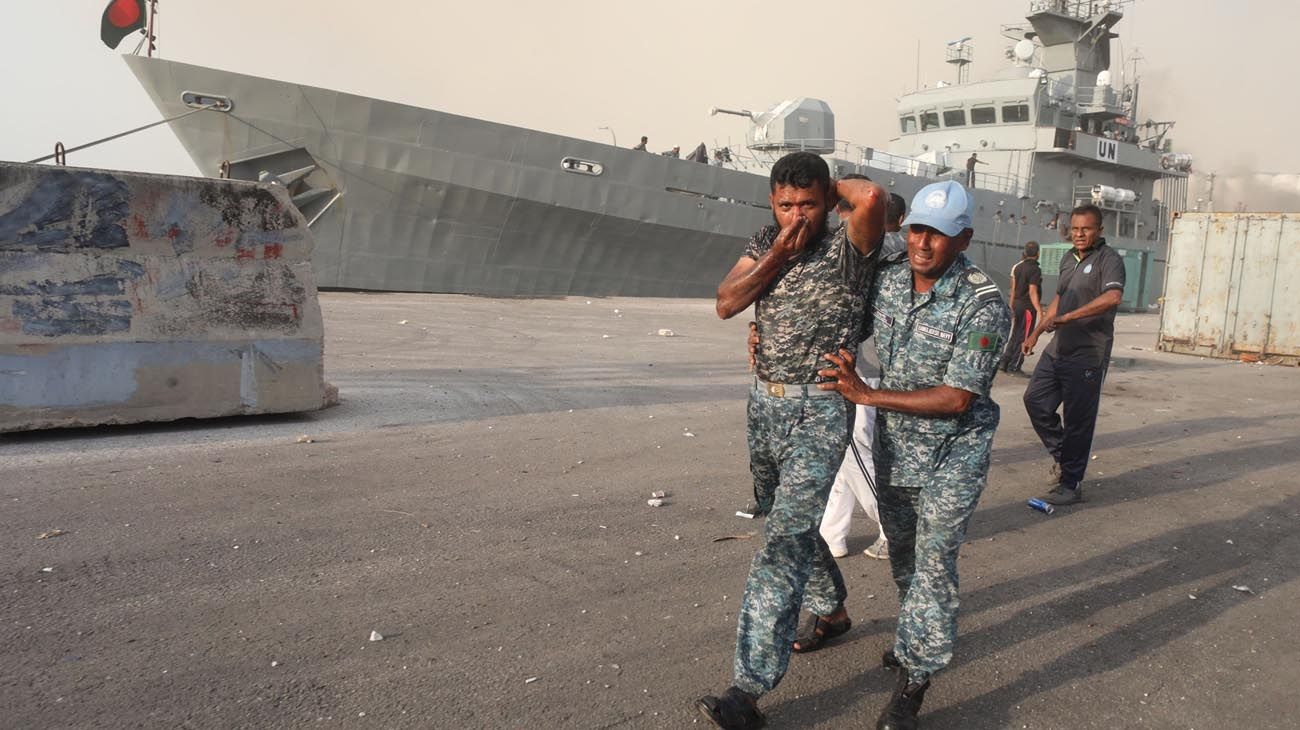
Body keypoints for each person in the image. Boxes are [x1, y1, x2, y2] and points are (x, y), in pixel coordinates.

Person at [696, 152, 886, 730]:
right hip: (765, 403)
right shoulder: (765, 240)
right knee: (785, 520)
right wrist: (779, 250)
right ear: (771, 204)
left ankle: (748, 689)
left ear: (828, 200)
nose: (796, 217)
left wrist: (830, 196)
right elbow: (728, 303)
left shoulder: (851, 245)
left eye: (808, 204)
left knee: (782, 543)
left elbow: (873, 199)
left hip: (819, 409)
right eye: (785, 206)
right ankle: (832, 610)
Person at [820, 180, 1009, 730]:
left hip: (956, 451)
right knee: (903, 554)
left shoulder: (982, 304)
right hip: (898, 447)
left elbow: (957, 398)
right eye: (919, 229)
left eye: (940, 235)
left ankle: (914, 683)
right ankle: (913, 639)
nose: (924, 243)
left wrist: (868, 395)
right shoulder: (890, 278)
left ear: (964, 238)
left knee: (933, 561)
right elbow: (841, 319)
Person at [816, 182, 907, 561]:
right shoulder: (898, 248)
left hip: (866, 366)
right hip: (864, 362)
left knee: (855, 449)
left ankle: (893, 528)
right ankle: (832, 533)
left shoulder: (882, 248)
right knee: (846, 451)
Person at [1021, 204, 1125, 505]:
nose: (1079, 234)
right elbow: (1058, 299)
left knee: (1078, 420)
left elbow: (1112, 296)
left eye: (1086, 229)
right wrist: (1036, 332)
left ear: (1099, 231)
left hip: (1088, 353)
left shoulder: (1110, 260)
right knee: (1035, 400)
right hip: (1058, 349)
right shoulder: (1068, 259)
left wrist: (1068, 318)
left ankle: (1071, 484)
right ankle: (1065, 456)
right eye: (1075, 229)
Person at [999, 241, 1044, 374]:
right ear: (1038, 254)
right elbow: (1032, 291)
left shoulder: (1018, 267)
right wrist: (1039, 310)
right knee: (1024, 337)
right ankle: (1015, 365)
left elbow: (1013, 289)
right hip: (1027, 307)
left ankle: (1004, 362)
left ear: (1025, 252)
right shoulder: (1035, 269)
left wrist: (1011, 305)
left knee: (1015, 334)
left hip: (1017, 305)